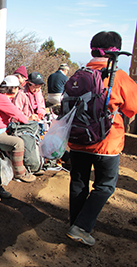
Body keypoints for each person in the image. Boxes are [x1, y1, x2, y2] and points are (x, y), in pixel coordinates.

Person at [66, 31, 137, 246]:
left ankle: (75, 222)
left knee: (78, 182)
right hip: (107, 143)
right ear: (116, 51)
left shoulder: (77, 75)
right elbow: (132, 107)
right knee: (105, 186)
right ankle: (81, 227)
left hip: (77, 140)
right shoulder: (119, 77)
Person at [0, 75, 36, 183]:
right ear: (12, 88)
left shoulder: (1, 97)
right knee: (18, 143)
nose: (18, 90)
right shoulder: (1, 98)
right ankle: (20, 173)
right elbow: (17, 114)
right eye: (17, 88)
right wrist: (28, 120)